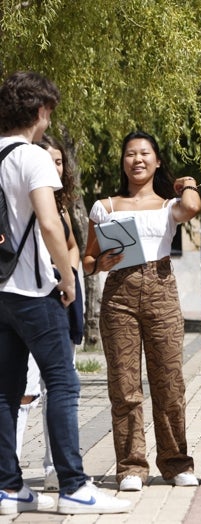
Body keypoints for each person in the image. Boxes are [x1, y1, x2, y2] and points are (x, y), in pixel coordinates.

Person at [0, 70, 130, 515]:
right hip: (36, 291)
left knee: (5, 391)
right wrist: (68, 276)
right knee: (62, 383)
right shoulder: (32, 157)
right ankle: (74, 486)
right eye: (48, 112)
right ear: (40, 110)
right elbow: (52, 223)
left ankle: (8, 487)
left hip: (0, 293)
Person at [82, 131, 201, 492]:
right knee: (125, 388)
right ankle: (131, 467)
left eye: (145, 153)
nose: (137, 160)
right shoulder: (106, 206)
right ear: (123, 162)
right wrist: (100, 262)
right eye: (130, 154)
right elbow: (87, 260)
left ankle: (176, 462)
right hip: (119, 296)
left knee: (169, 384)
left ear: (157, 161)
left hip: (161, 292)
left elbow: (193, 207)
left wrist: (189, 182)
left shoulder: (170, 206)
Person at [15, 134, 84, 493]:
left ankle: (55, 469)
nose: (55, 167)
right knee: (25, 389)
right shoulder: (19, 200)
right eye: (49, 161)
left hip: (61, 297)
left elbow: (71, 245)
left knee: (56, 383)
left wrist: (67, 275)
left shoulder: (60, 205)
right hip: (29, 299)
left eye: (59, 161)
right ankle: (12, 470)